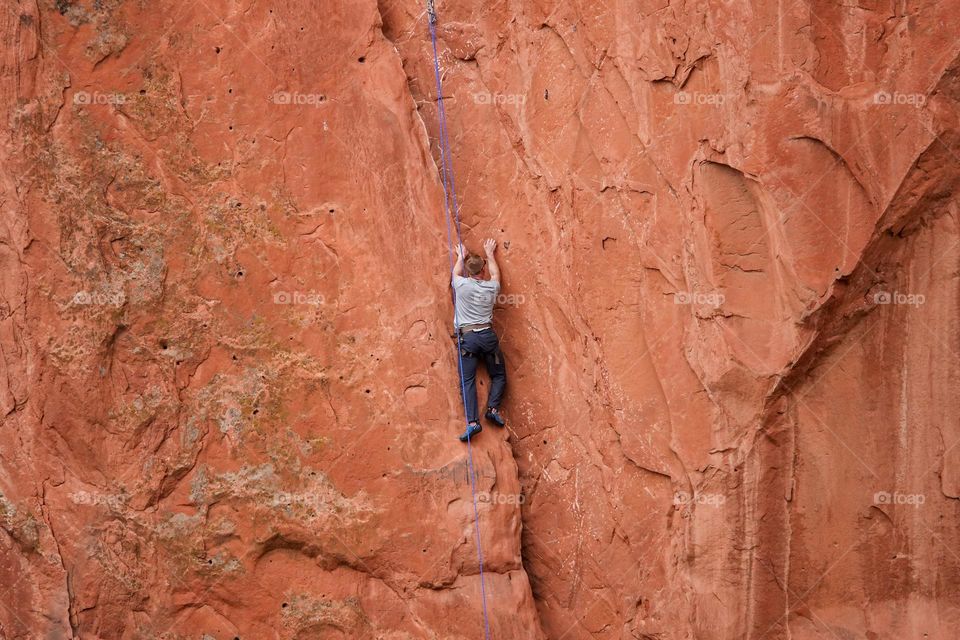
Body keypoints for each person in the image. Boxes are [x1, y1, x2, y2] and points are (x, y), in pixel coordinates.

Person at [451, 239, 507, 442]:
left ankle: (473, 423)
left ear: (468, 272)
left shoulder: (461, 285)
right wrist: (490, 254)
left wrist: (460, 255)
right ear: (482, 271)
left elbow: (455, 273)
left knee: (467, 381)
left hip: (468, 339)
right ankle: (492, 408)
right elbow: (496, 275)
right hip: (487, 337)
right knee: (499, 374)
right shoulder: (491, 288)